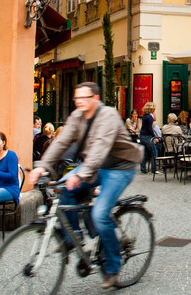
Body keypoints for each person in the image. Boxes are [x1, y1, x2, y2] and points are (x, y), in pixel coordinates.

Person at [29, 82, 143, 290]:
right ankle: (75, 238)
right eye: (76, 98)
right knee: (63, 188)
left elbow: (100, 146)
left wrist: (81, 173)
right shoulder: (77, 116)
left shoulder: (107, 116)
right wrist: (42, 166)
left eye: (83, 98)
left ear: (95, 99)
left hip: (119, 167)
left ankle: (113, 266)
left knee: (100, 214)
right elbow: (61, 142)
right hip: (95, 166)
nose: (79, 102)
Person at [138, 102, 161, 175]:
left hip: (142, 136)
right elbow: (149, 129)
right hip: (148, 137)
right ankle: (154, 169)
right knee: (154, 151)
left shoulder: (144, 116)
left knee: (144, 153)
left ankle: (143, 169)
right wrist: (154, 137)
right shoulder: (150, 117)